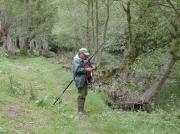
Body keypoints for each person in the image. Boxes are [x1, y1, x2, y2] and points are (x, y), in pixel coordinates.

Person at [72, 48, 95, 114]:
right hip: (80, 80)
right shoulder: (76, 60)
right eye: (84, 55)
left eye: (86, 55)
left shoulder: (86, 59)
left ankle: (82, 109)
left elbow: (91, 63)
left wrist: (93, 66)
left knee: (85, 94)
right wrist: (86, 69)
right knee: (81, 95)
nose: (86, 56)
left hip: (86, 80)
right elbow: (77, 70)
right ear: (80, 54)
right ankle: (80, 111)